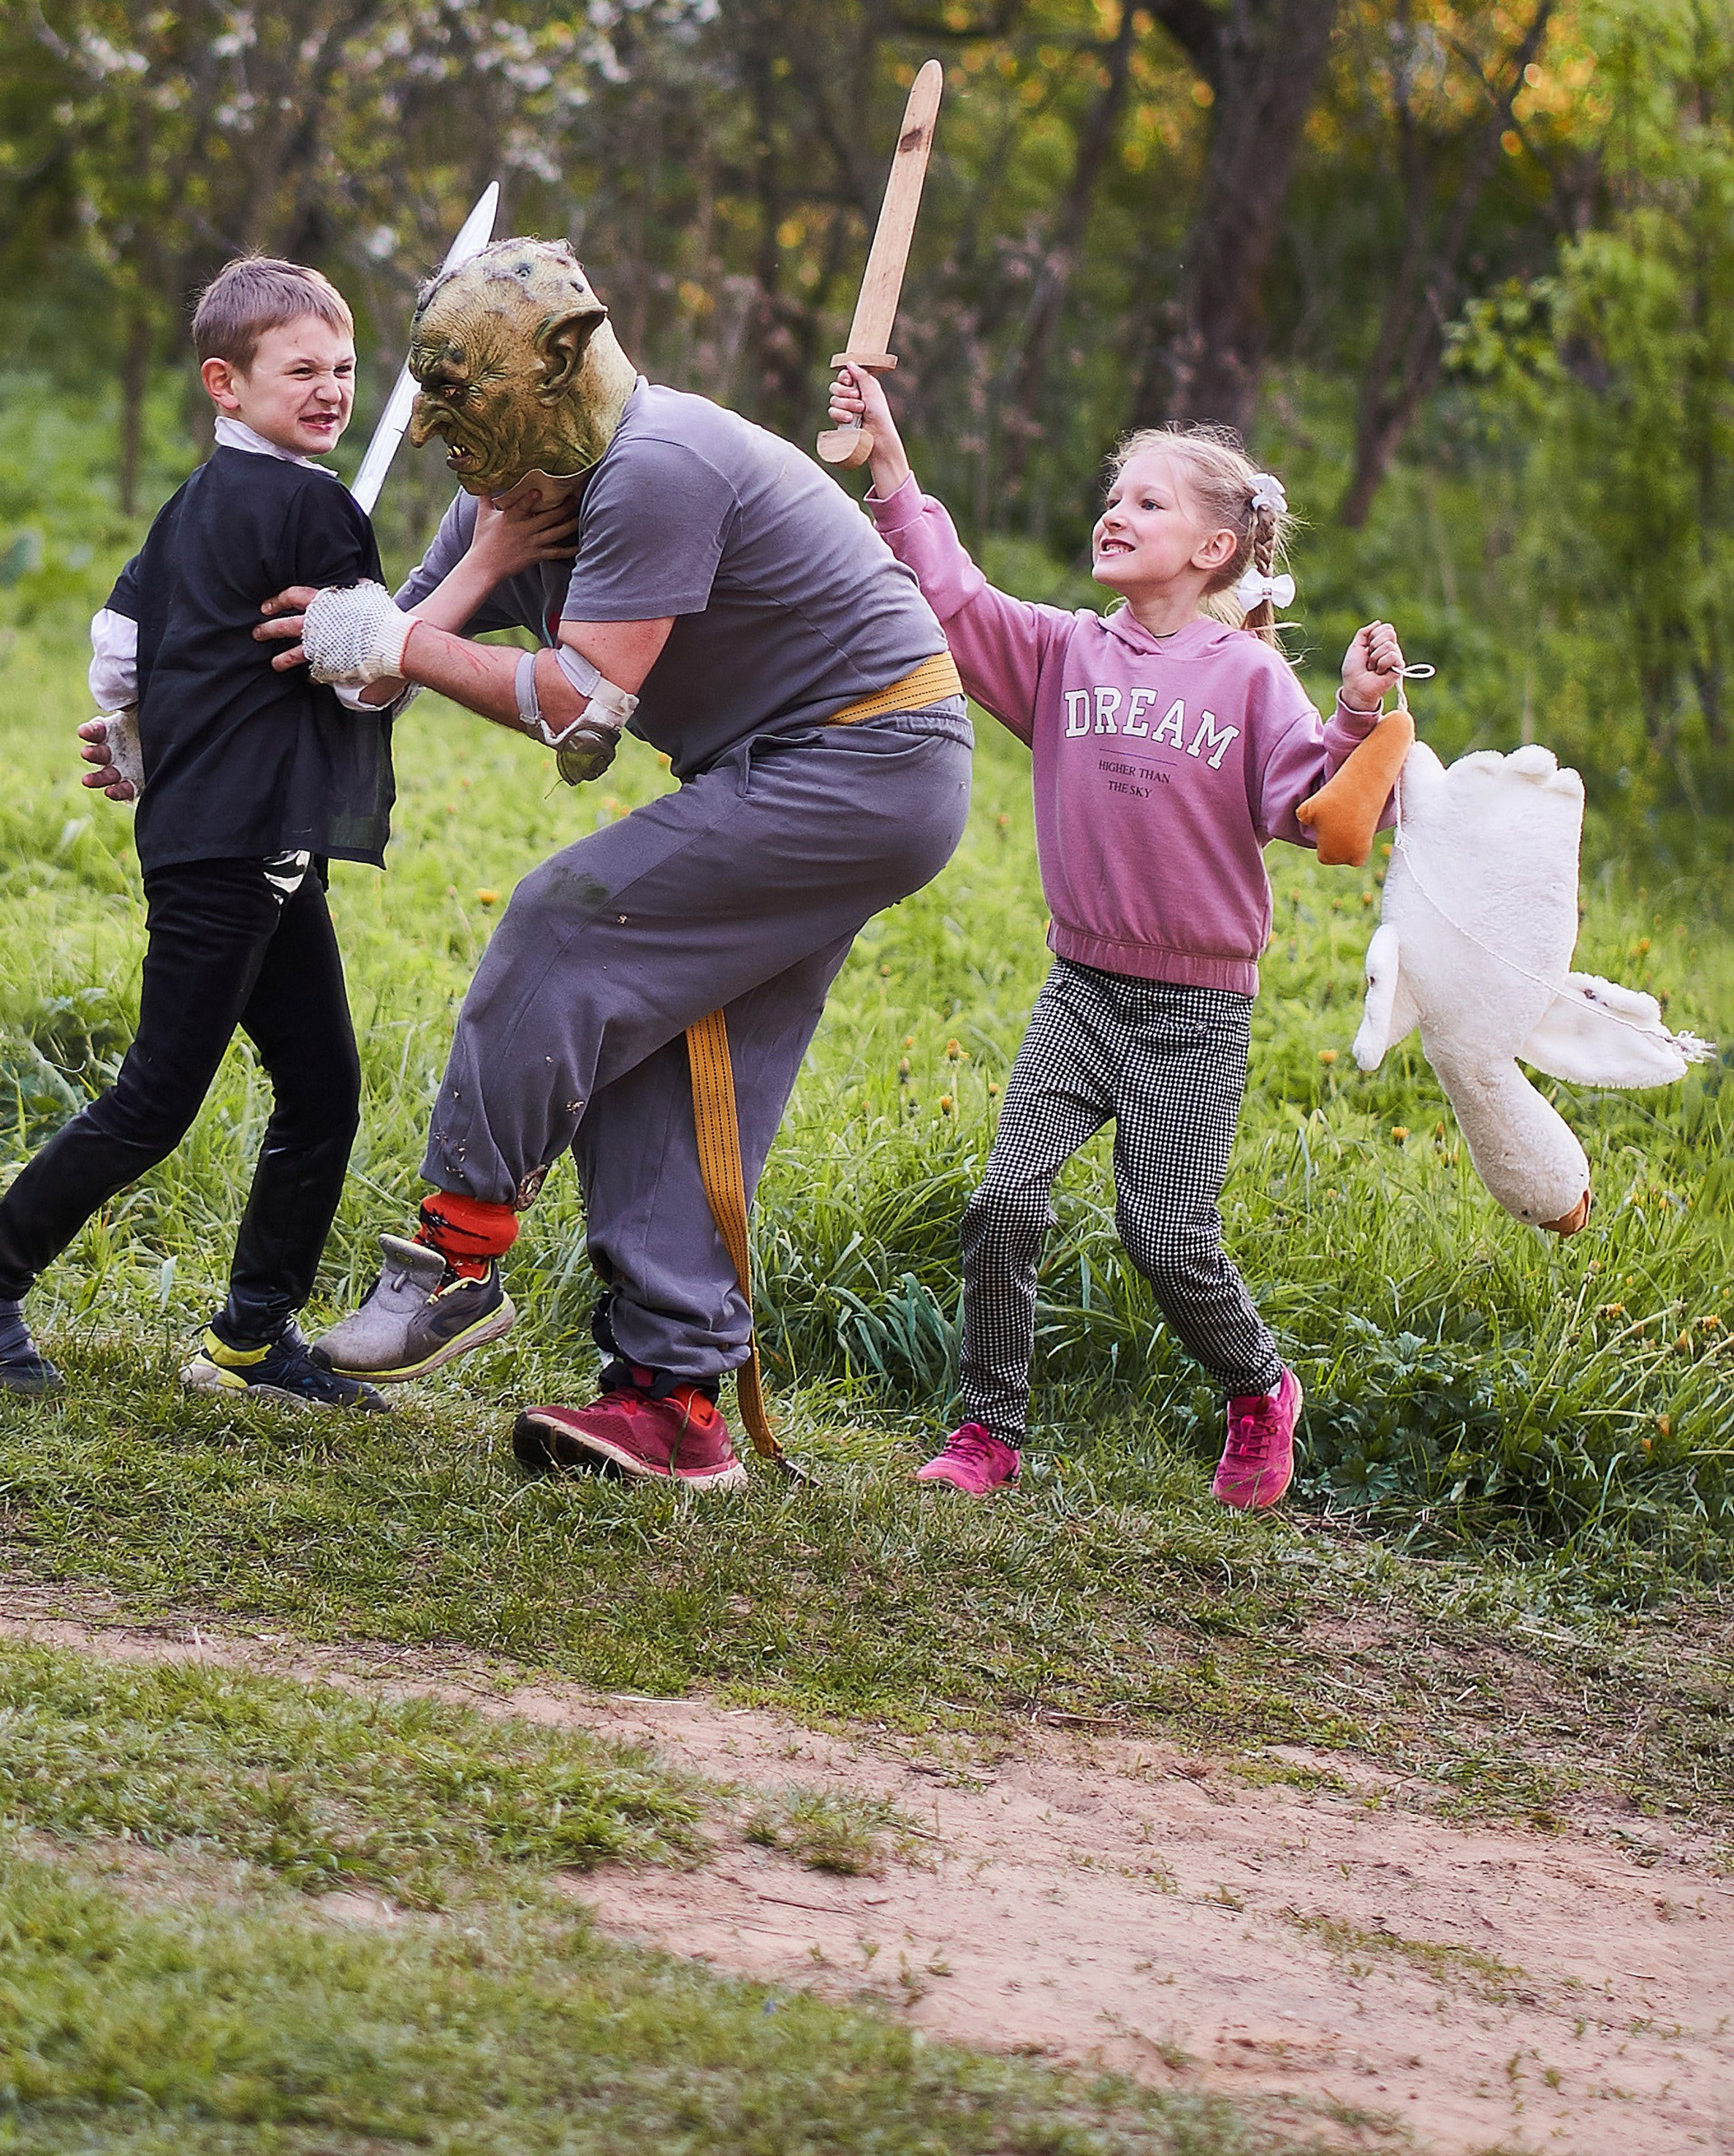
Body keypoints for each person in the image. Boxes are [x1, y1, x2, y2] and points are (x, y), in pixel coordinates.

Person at [259, 236, 974, 1491]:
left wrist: (391, 642)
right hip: (787, 769)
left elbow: (584, 720)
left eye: (467, 403)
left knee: (565, 922)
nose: (444, 437)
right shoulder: (508, 488)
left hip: (867, 759)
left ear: (558, 370)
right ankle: (672, 1403)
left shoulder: (656, 467)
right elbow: (385, 665)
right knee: (675, 1058)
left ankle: (454, 1261)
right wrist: (173, 733)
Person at [0, 257, 558, 1411]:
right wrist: (492, 561)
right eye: (300, 369)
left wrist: (148, 741)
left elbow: (118, 645)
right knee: (158, 1097)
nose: (332, 390)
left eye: (346, 369)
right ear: (225, 381)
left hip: (244, 841)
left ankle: (253, 1338)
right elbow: (368, 678)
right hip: (235, 849)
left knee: (322, 1088)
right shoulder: (314, 508)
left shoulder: (193, 504)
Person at [830, 362, 1405, 1511]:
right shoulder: (1059, 654)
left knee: (1167, 1235)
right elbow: (951, 593)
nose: (1117, 511)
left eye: (1149, 501)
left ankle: (1260, 1390)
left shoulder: (1247, 678)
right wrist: (890, 458)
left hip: (1198, 1012)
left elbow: (1313, 813)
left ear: (1214, 549)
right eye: (1116, 493)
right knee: (1003, 1204)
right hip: (1081, 989)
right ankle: (989, 1430)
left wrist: (1354, 713)